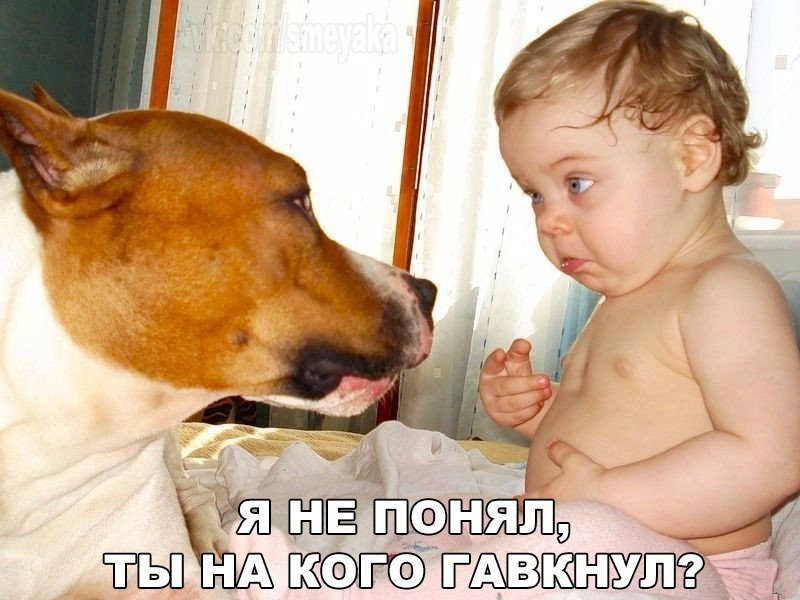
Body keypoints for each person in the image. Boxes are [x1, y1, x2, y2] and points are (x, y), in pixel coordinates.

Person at [480, 1, 800, 598]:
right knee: (467, 535)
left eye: (576, 183)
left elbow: (772, 456)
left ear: (693, 157)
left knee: (545, 540)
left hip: (691, 568)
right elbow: (632, 427)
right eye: (535, 194)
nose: (549, 220)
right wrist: (539, 416)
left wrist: (605, 495)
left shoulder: (725, 290)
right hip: (605, 551)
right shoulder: (632, 292)